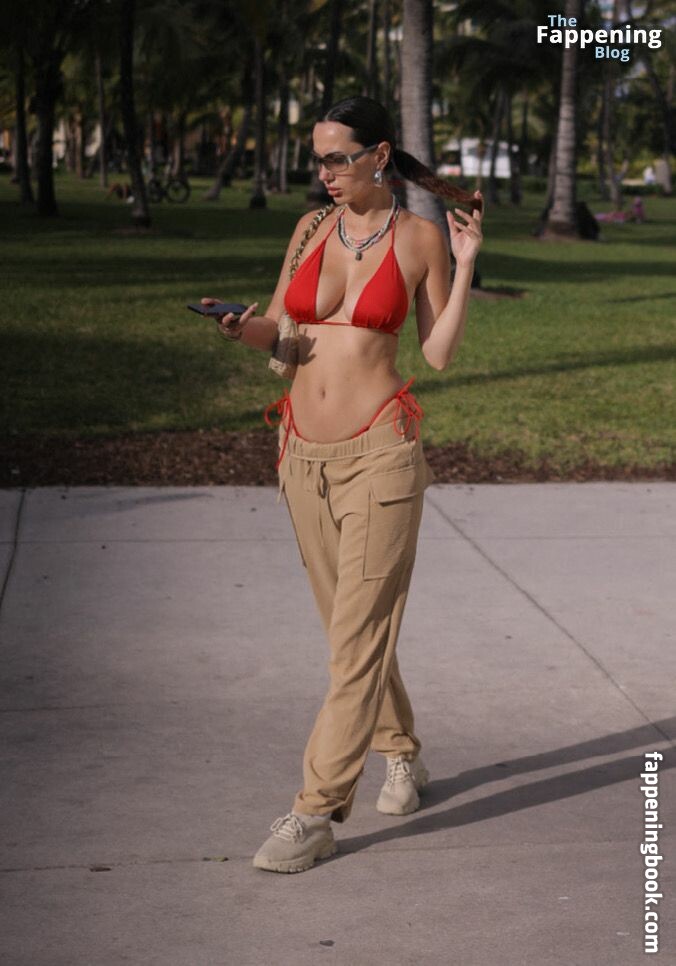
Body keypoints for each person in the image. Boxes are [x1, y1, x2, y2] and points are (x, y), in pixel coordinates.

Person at [201, 96, 484, 874]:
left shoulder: (420, 237)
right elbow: (285, 339)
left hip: (381, 455)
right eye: (318, 159)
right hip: (301, 455)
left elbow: (438, 353)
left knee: (357, 638)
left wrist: (465, 266)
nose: (324, 172)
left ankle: (314, 812)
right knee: (350, 633)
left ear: (378, 154)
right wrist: (243, 329)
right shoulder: (308, 230)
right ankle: (402, 751)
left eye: (337, 158)